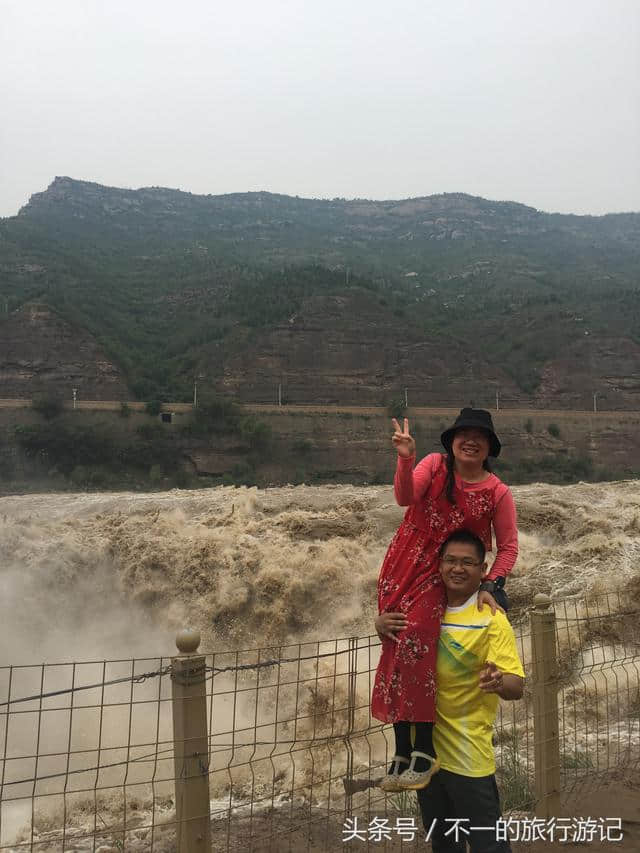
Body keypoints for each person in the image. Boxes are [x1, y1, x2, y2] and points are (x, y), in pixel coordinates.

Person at [372, 408, 518, 792]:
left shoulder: (497, 492)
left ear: (489, 447)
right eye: (463, 434)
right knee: (395, 644)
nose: (470, 440)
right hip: (403, 562)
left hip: (443, 570)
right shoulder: (434, 465)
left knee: (417, 639)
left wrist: (491, 585)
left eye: (480, 436)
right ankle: (402, 749)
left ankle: (424, 749)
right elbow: (404, 497)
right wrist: (405, 458)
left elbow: (508, 547)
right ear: (452, 441)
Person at [377, 529, 524, 852]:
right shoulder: (422, 610)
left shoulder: (491, 619)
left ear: (483, 570)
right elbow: (397, 655)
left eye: (468, 563)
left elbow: (516, 686)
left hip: (469, 758)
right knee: (445, 845)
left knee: (490, 846)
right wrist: (380, 626)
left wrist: (499, 682)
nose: (458, 569)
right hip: (425, 760)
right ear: (438, 565)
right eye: (451, 561)